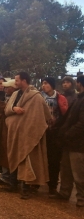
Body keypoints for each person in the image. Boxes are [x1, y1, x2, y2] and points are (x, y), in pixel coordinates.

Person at [3, 72, 51, 199]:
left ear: (24, 81)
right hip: (15, 132)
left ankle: (25, 188)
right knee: (14, 156)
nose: (15, 82)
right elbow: (7, 110)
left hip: (28, 134)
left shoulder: (36, 96)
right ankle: (12, 184)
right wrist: (14, 109)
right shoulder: (14, 94)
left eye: (17, 80)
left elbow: (44, 114)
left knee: (26, 159)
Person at [53, 75, 84, 207]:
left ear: (79, 84)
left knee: (79, 173)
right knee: (65, 169)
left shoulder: (81, 99)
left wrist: (68, 134)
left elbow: (82, 123)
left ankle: (81, 198)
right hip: (68, 142)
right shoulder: (79, 98)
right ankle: (64, 192)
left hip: (78, 143)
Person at [41, 77, 68, 196]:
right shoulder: (39, 97)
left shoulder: (60, 98)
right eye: (42, 83)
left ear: (51, 85)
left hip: (55, 133)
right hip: (41, 132)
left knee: (54, 161)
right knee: (41, 158)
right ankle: (36, 183)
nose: (43, 86)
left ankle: (52, 186)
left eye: (46, 83)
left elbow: (65, 115)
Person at [0, 80, 17, 186]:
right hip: (3, 128)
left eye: (8, 87)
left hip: (10, 129)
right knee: (2, 151)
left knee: (9, 153)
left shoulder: (16, 99)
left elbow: (7, 109)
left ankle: (10, 177)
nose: (6, 89)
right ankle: (4, 175)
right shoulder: (7, 98)